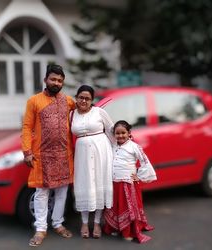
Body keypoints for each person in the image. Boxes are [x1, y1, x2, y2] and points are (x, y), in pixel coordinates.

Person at [21, 64, 76, 247]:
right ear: (45, 80)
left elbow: (82, 115)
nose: (56, 83)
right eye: (53, 79)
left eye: (60, 80)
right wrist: (27, 151)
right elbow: (27, 127)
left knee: (62, 191)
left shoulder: (68, 101)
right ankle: (41, 228)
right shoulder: (34, 101)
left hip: (64, 155)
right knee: (41, 193)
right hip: (41, 155)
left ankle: (58, 223)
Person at [70, 85, 114, 239]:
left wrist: (118, 153)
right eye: (81, 97)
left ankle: (96, 223)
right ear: (76, 98)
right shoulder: (71, 115)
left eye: (87, 98)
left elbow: (111, 131)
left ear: (92, 100)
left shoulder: (100, 112)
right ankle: (84, 222)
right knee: (84, 185)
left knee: (99, 186)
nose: (84, 100)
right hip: (81, 155)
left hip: (102, 152)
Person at [103, 120, 157, 243]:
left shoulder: (134, 147)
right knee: (116, 207)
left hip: (127, 184)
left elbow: (145, 161)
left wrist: (139, 176)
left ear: (129, 133)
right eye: (117, 133)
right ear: (114, 134)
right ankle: (117, 228)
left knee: (127, 208)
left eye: (123, 133)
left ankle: (128, 231)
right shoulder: (113, 145)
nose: (120, 135)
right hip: (114, 183)